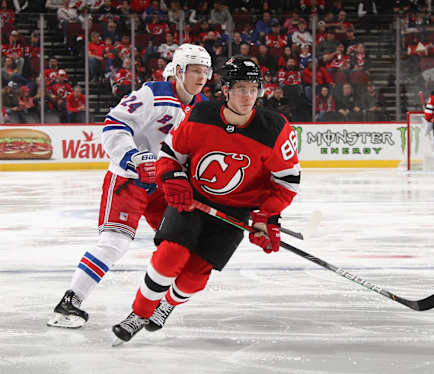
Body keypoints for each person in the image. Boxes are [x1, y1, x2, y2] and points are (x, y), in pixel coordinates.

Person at [111, 56, 301, 343]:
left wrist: (267, 217)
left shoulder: (274, 128)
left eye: (253, 89)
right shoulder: (201, 114)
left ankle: (167, 306)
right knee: (170, 255)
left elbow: (286, 182)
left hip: (235, 211)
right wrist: (173, 178)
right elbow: (171, 155)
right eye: (240, 88)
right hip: (193, 200)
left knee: (195, 275)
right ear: (225, 89)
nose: (247, 96)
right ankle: (139, 313)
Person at [47, 44, 212, 329]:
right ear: (180, 71)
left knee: (185, 245)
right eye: (195, 70)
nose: (201, 77)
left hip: (165, 185)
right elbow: (114, 124)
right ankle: (69, 303)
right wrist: (134, 157)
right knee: (115, 242)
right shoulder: (152, 93)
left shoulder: (202, 108)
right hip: (129, 180)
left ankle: (162, 306)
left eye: (205, 71)